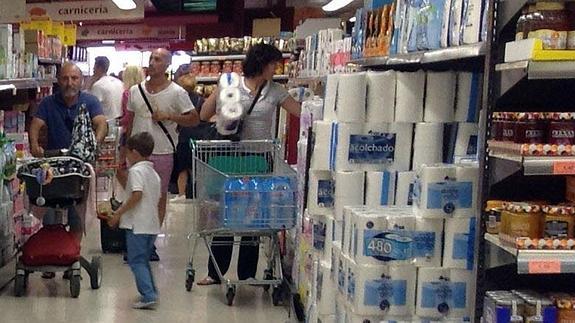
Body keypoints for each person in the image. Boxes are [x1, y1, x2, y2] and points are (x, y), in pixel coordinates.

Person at [197, 43, 301, 285]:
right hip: (228, 157)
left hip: (258, 159)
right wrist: (225, 119)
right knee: (224, 214)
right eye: (274, 64)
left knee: (254, 218)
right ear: (262, 64)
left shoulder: (275, 91)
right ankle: (215, 272)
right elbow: (204, 113)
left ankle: (247, 273)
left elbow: (299, 111)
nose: (277, 68)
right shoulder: (229, 83)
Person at [29, 62, 108, 278]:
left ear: (81, 80)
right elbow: (36, 124)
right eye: (65, 78)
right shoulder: (48, 103)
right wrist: (35, 145)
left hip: (79, 166)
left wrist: (95, 142)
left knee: (76, 211)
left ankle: (71, 254)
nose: (69, 83)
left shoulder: (89, 101)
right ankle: (51, 254)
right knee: (49, 209)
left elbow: (101, 123)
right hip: (53, 163)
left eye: (74, 78)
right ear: (58, 80)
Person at [124, 48, 200, 261]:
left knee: (158, 197)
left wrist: (170, 116)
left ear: (167, 65)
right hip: (137, 154)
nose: (152, 62)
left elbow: (194, 118)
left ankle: (150, 242)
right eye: (151, 58)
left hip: (163, 151)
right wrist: (124, 150)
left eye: (158, 59)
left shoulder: (177, 92)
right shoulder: (136, 91)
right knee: (136, 196)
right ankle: (135, 239)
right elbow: (130, 120)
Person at [108, 132, 161, 310]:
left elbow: (136, 195)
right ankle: (151, 290)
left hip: (137, 225)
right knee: (143, 260)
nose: (127, 157)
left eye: (128, 153)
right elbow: (135, 191)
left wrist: (118, 213)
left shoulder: (136, 171)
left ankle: (148, 295)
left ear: (135, 152)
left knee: (136, 261)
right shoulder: (154, 174)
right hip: (151, 225)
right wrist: (118, 173)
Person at [171, 72, 209, 201]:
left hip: (183, 136)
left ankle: (181, 194)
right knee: (197, 167)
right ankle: (199, 193)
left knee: (182, 168)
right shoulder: (201, 99)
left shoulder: (179, 100)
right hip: (199, 136)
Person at [117, 65, 145, 188]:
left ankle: (130, 191)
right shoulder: (146, 91)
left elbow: (128, 117)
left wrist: (117, 122)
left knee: (123, 165)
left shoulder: (128, 93)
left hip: (130, 132)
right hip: (144, 131)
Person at [88, 56, 124, 121]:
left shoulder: (98, 85)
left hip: (106, 122)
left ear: (99, 68)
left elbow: (91, 107)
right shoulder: (119, 82)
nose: (93, 69)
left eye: (94, 66)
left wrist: (89, 84)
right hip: (121, 120)